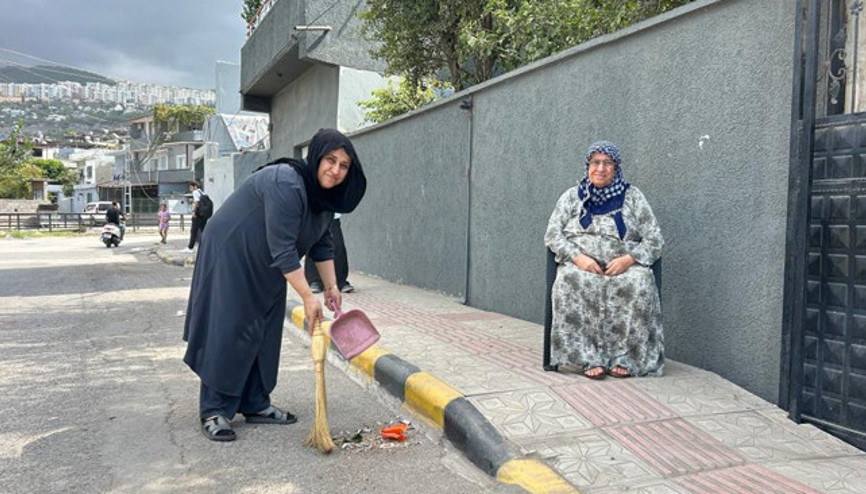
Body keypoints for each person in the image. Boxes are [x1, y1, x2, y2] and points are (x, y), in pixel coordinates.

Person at [183, 128, 367, 442]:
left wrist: (331, 287)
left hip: (266, 261)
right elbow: (283, 248)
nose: (336, 170)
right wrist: (307, 296)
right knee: (230, 325)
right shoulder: (287, 182)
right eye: (330, 160)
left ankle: (255, 402)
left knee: (266, 326)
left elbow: (322, 243)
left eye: (344, 165)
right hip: (231, 252)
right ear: (316, 158)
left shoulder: (323, 198)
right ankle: (214, 409)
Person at [544, 141, 664, 380]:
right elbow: (553, 235)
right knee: (568, 280)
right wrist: (578, 258)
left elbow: (654, 238)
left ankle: (626, 359)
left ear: (616, 168)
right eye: (595, 163)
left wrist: (628, 260)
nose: (600, 168)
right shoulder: (571, 197)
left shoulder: (633, 196)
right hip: (581, 265)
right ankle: (587, 358)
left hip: (623, 266)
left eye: (607, 163)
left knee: (640, 282)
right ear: (587, 166)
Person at [305, 213, 354, 293]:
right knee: (313, 244)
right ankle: (314, 281)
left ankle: (340, 281)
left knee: (338, 245)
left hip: (332, 214)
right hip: (313, 214)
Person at [182, 182, 206, 253]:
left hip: (197, 214)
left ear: (195, 186)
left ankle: (190, 248)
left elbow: (196, 202)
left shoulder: (195, 192)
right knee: (202, 230)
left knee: (193, 231)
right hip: (203, 214)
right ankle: (203, 246)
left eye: (191, 187)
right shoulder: (202, 193)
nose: (190, 189)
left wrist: (193, 212)